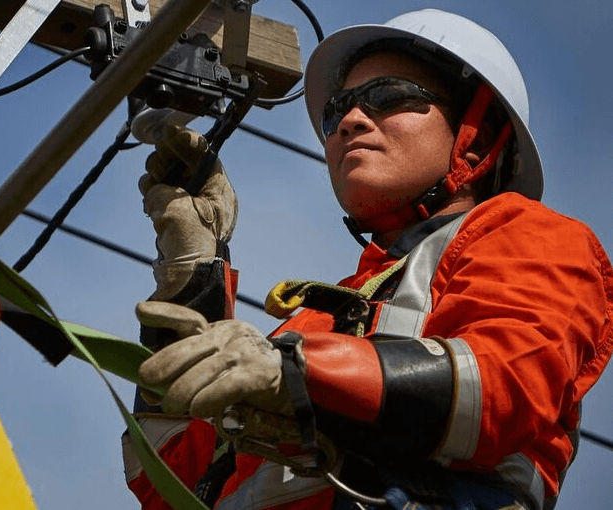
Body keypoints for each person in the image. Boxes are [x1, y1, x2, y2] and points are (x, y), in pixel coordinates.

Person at [122, 9, 613, 510]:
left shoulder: (536, 237)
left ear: (477, 139)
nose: (349, 121)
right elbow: (168, 479)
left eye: (389, 96)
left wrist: (297, 372)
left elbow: (502, 389)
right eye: (337, 110)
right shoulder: (312, 328)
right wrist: (192, 269)